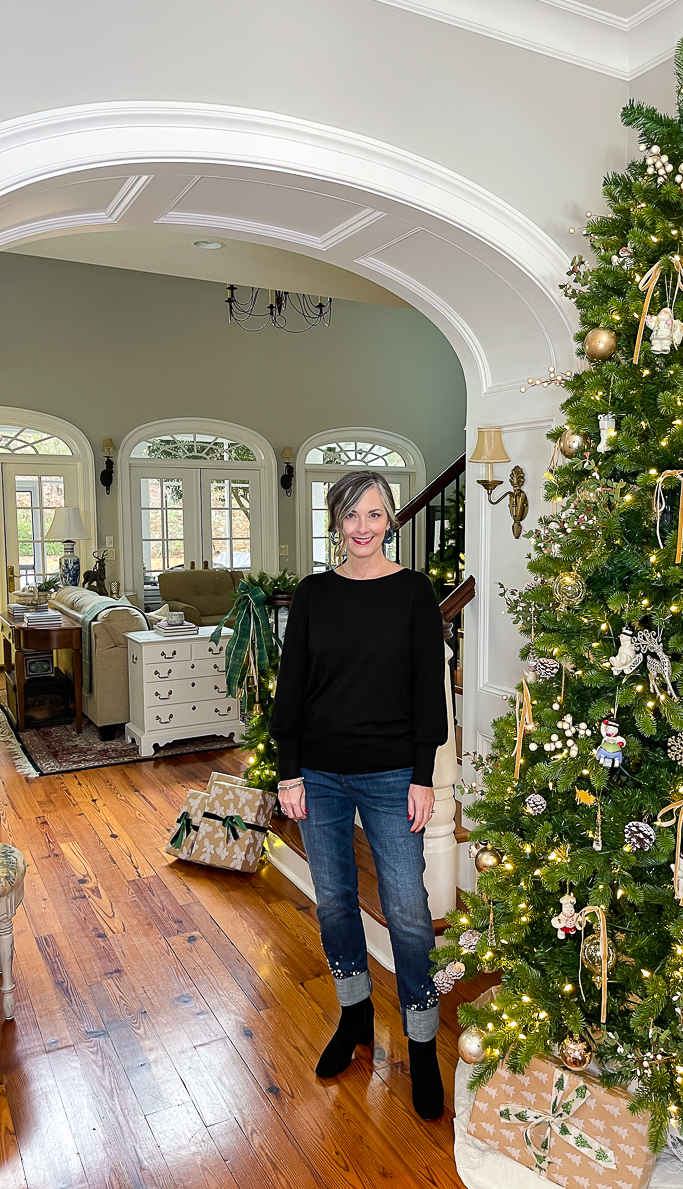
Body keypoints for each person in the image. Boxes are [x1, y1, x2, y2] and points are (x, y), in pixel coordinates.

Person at [270, 469, 448, 1120]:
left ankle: (422, 1047)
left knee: (405, 909)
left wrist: (422, 774)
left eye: (374, 514)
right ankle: (353, 1017)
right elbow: (293, 686)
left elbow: (431, 691)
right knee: (337, 901)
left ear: (390, 518)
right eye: (351, 516)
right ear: (336, 522)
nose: (363, 527)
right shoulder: (315, 593)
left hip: (391, 775)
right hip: (317, 772)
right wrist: (289, 769)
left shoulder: (413, 593)